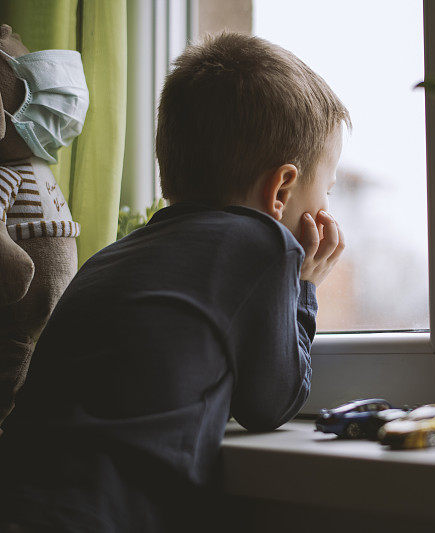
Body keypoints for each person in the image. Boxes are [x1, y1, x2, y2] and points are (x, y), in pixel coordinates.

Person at [0, 32, 349, 532]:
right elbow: (271, 403)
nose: (327, 211)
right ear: (282, 189)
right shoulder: (262, 245)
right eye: (327, 190)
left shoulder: (107, 260)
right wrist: (306, 286)